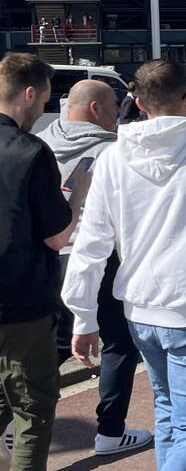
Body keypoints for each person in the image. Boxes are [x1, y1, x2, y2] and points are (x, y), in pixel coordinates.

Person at [62, 58, 186, 470]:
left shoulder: (112, 158)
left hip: (140, 308)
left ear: (136, 101)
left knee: (168, 410)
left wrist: (83, 316)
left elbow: (91, 243)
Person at [39, 80, 154, 457]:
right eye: (114, 105)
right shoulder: (114, 151)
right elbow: (129, 214)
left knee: (51, 346)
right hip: (97, 257)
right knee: (119, 343)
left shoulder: (42, 142)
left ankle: (17, 419)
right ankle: (109, 432)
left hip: (47, 256)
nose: (118, 111)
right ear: (95, 109)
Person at [0, 53, 85, 470]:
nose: (43, 111)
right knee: (33, 408)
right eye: (45, 100)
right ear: (30, 93)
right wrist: (79, 195)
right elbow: (56, 236)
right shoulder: (31, 150)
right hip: (20, 300)